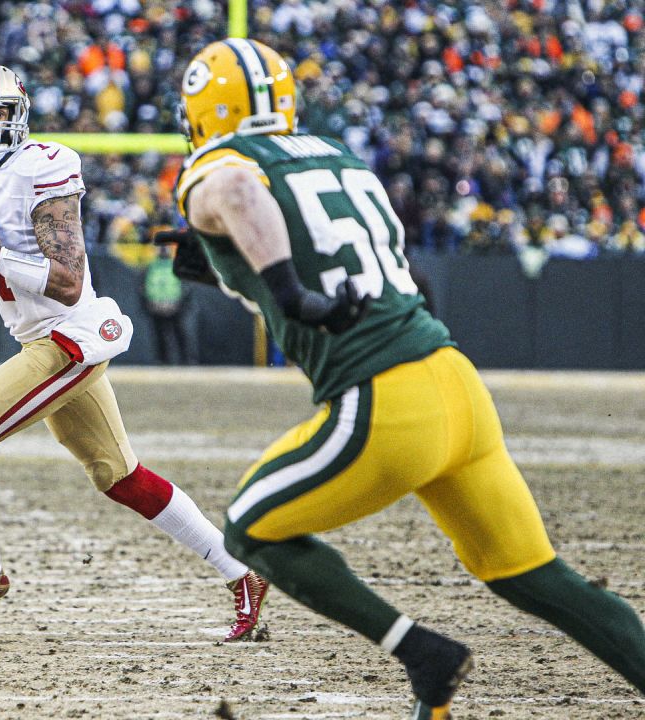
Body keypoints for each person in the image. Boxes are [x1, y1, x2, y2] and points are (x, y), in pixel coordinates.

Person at [170, 38, 645, 717]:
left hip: (385, 399)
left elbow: (241, 189)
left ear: (204, 112)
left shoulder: (222, 162)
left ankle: (424, 654)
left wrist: (288, 290)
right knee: (534, 575)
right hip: (453, 382)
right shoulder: (339, 153)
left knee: (250, 529)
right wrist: (236, 268)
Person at [0, 62, 269, 642]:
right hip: (38, 338)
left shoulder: (45, 166)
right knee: (118, 475)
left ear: (18, 115)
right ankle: (243, 573)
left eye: (0, 111)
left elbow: (69, 282)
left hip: (70, 333)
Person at [142, 244, 191, 365]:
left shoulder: (154, 267)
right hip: (161, 306)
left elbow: (185, 287)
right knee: (162, 335)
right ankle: (164, 361)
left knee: (178, 334)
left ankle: (185, 360)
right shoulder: (152, 267)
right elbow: (143, 287)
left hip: (171, 306)